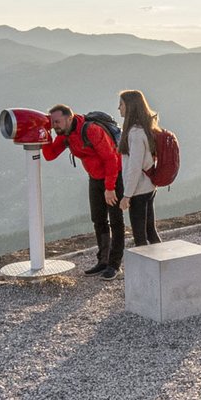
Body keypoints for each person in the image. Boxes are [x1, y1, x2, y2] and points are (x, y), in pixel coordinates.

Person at [42, 104, 125, 277]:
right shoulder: (66, 134)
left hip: (114, 176)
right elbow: (49, 155)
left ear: (69, 118)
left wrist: (110, 188)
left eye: (57, 121)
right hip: (95, 178)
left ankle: (114, 265)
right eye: (52, 122)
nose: (54, 125)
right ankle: (103, 261)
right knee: (98, 219)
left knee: (116, 220)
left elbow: (111, 159)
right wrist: (45, 134)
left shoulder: (91, 130)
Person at [117, 89, 162, 250]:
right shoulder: (146, 128)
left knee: (140, 237)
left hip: (139, 191)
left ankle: (146, 272)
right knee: (150, 231)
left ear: (130, 106)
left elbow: (134, 168)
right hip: (149, 186)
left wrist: (126, 196)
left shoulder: (135, 134)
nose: (119, 108)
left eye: (121, 104)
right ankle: (162, 265)